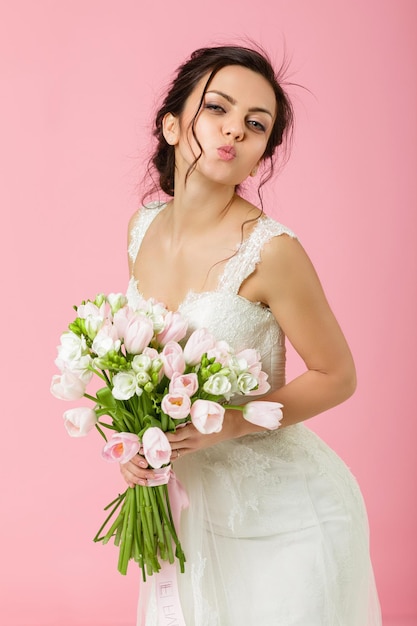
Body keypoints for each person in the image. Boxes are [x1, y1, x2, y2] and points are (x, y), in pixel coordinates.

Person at [120, 45, 382, 625]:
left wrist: (235, 421)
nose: (235, 128)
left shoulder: (272, 251)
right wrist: (137, 444)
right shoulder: (141, 230)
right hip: (190, 517)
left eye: (256, 124)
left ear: (261, 154)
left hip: (288, 522)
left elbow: (338, 375)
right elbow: (142, 362)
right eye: (218, 108)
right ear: (170, 124)